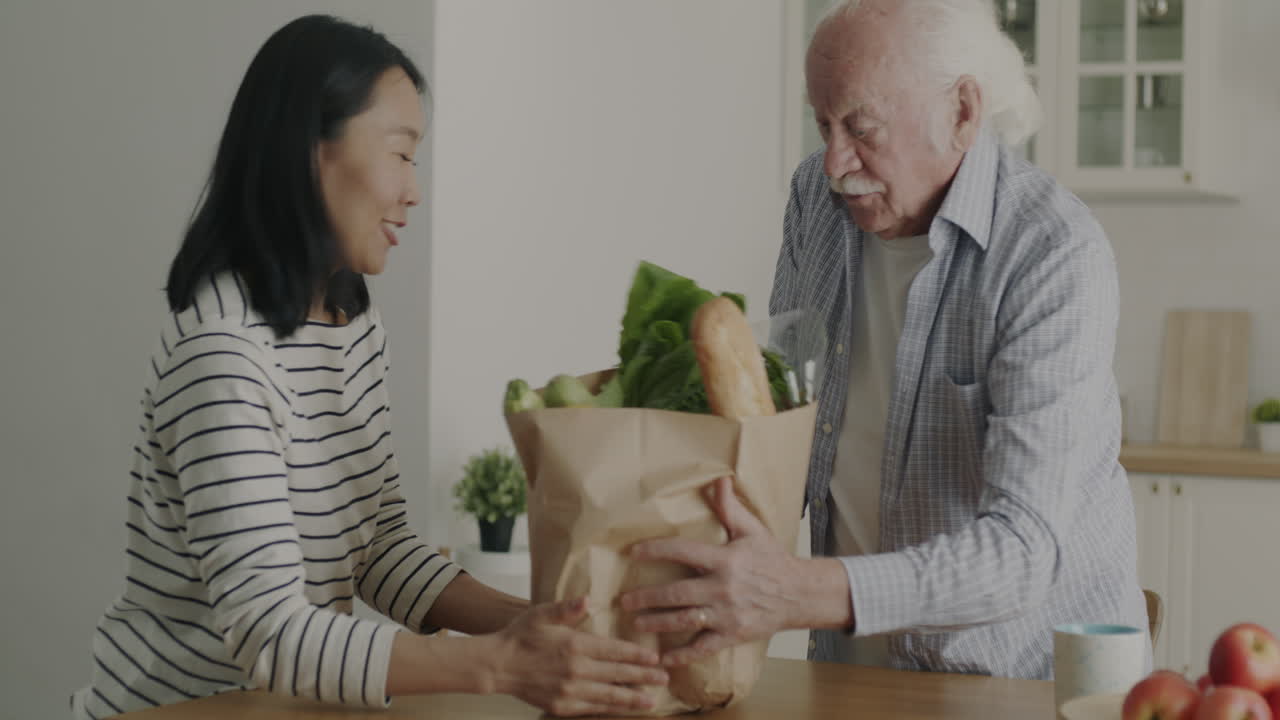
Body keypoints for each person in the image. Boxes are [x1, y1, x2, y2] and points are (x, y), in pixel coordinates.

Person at [71, 15, 665, 719]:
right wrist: (498, 666)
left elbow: (377, 548)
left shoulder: (352, 326)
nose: (414, 190)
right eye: (400, 154)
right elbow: (273, 635)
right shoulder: (223, 356)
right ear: (310, 150)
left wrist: (535, 623)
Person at [620, 0, 1149, 680]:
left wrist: (792, 594)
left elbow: (1022, 555)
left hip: (1016, 687)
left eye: (862, 128)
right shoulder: (815, 197)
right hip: (853, 673)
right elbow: (784, 411)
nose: (836, 161)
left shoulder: (1051, 252)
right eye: (822, 124)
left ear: (961, 112)